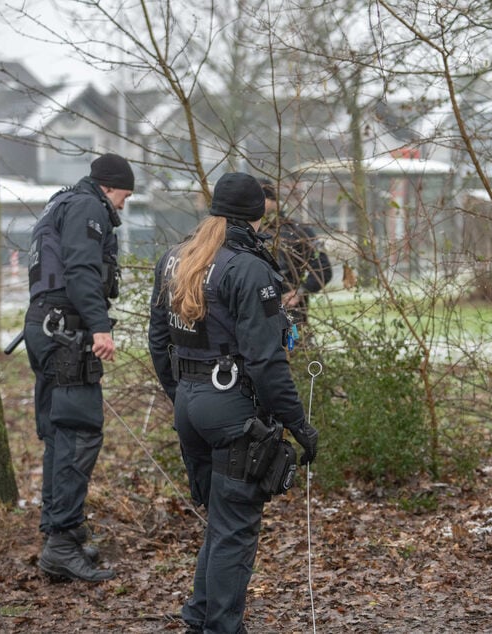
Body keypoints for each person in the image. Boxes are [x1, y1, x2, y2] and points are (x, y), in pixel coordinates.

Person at [148, 172, 319, 634]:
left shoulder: (176, 258)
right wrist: (298, 423)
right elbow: (266, 360)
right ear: (257, 214)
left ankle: (199, 617)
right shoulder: (249, 268)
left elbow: (158, 340)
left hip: (190, 403)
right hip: (230, 409)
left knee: (221, 522)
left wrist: (181, 393)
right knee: (235, 528)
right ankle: (221, 626)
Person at [24, 153, 134, 582]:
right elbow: (82, 268)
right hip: (66, 333)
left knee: (59, 434)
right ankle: (61, 545)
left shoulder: (60, 202)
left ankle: (62, 532)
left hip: (44, 326)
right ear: (109, 187)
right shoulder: (88, 206)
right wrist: (100, 326)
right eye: (124, 195)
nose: (123, 204)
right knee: (79, 433)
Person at [258, 179, 333, 328]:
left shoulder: (297, 231)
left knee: (293, 340)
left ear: (272, 200)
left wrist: (299, 292)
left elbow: (323, 268)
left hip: (290, 314)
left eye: (260, 199)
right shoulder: (245, 233)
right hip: (255, 316)